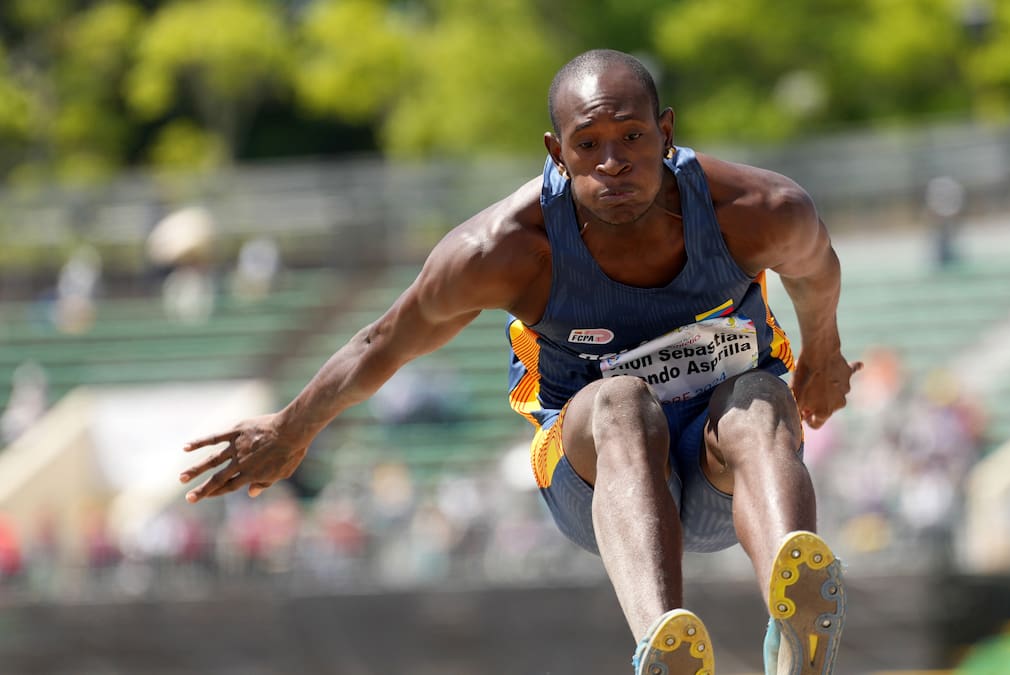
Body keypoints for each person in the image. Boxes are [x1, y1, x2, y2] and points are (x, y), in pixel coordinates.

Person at [179, 49, 860, 675]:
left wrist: (822, 353)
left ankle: (793, 615)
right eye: (588, 145)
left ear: (667, 131)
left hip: (726, 472)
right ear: (555, 152)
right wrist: (294, 426)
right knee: (621, 402)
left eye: (632, 138)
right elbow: (380, 341)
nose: (612, 163)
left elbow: (816, 269)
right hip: (600, 475)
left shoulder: (753, 210)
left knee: (759, 398)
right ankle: (665, 644)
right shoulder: (505, 248)